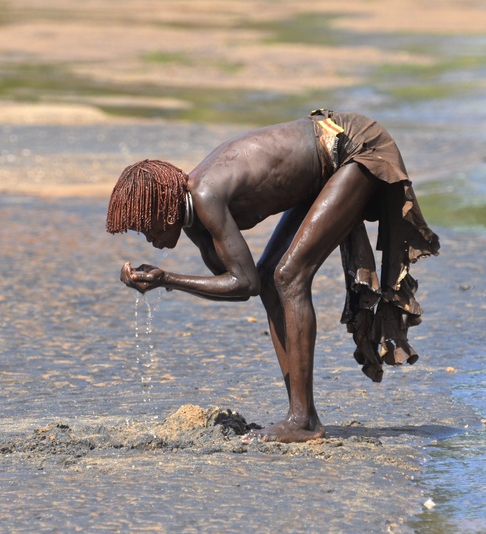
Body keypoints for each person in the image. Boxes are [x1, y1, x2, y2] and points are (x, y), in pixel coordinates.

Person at [106, 110, 439, 443]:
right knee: (272, 276)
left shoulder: (204, 195)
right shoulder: (193, 215)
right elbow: (234, 280)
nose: (147, 237)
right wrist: (167, 279)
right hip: (325, 164)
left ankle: (302, 420)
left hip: (353, 147)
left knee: (289, 277)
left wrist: (167, 280)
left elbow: (243, 284)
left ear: (163, 208)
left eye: (144, 225)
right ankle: (301, 415)